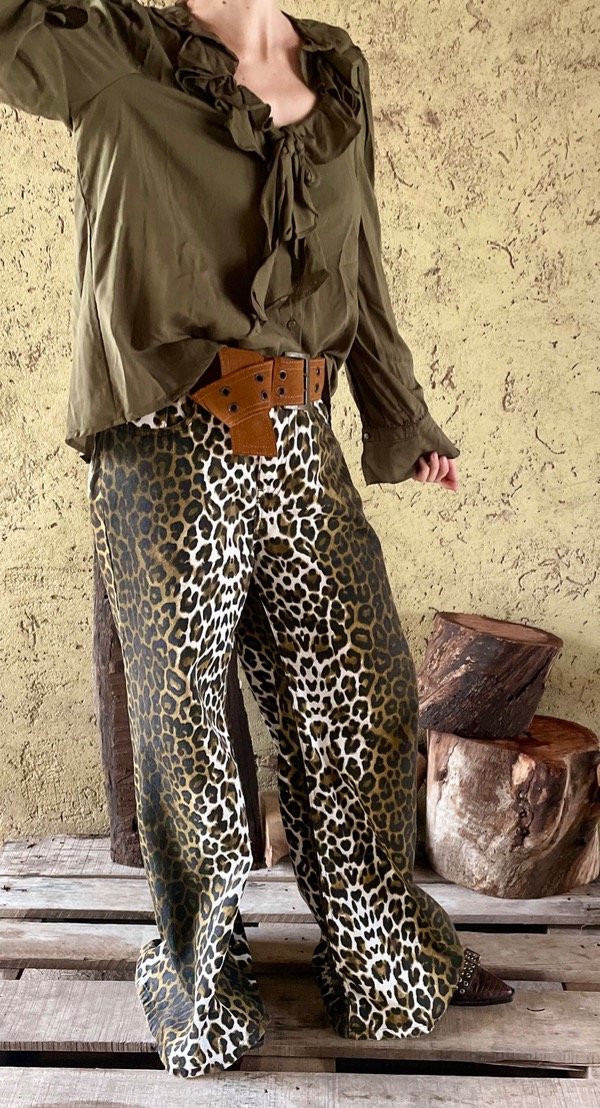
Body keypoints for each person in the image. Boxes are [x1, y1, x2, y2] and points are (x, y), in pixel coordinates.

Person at [1, 0, 513, 1079]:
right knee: (186, 732)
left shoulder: (336, 67)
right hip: (166, 444)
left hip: (299, 433)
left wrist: (401, 414)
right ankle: (203, 976)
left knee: (361, 700)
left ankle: (378, 949)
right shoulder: (111, 49)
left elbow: (359, 255)